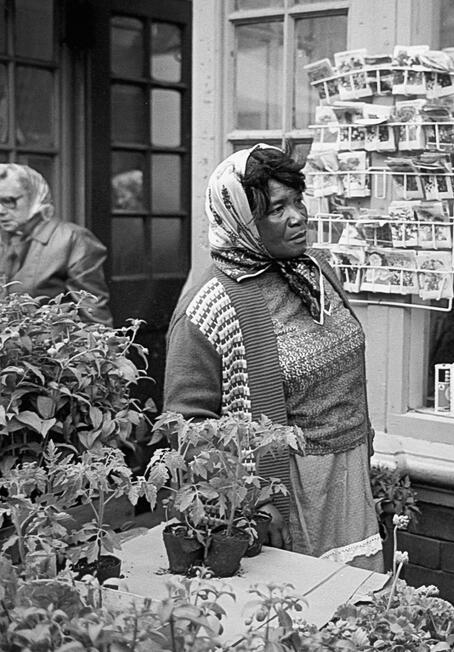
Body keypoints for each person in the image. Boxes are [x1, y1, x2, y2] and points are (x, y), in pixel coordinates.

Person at [163, 144, 383, 571]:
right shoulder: (210, 306)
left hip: (348, 474)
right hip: (289, 489)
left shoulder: (313, 270)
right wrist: (254, 497)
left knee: (357, 613)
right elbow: (187, 425)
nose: (298, 216)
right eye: (277, 208)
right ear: (241, 221)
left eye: (297, 201)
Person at [0, 163, 112, 326]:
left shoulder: (72, 239)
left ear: (35, 197)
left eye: (8, 201)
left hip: (55, 349)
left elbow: (94, 318)